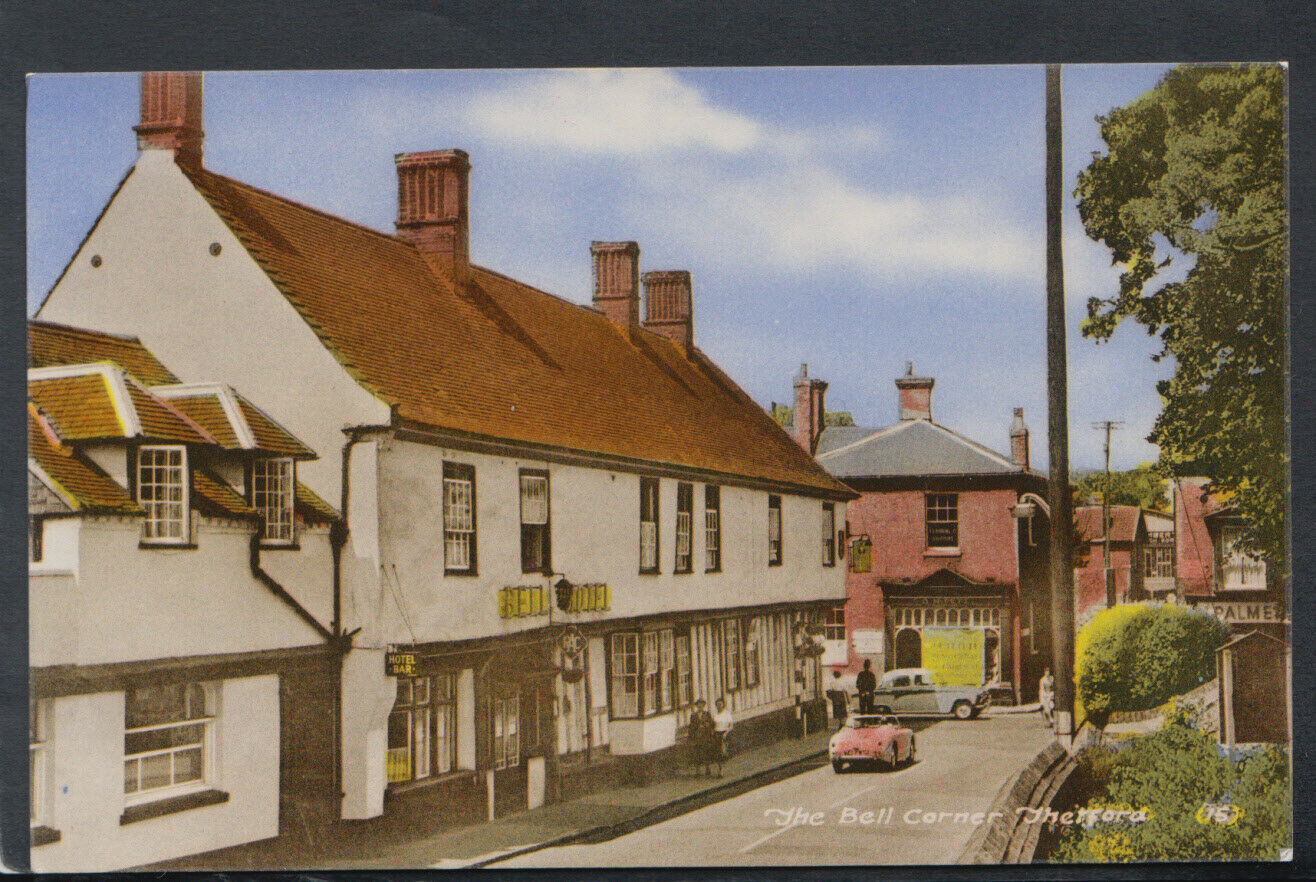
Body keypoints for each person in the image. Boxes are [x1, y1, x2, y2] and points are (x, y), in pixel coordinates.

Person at [688, 699, 715, 776]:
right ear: (697, 706)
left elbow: (712, 723)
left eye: (702, 705)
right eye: (698, 705)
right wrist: (691, 737)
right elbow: (691, 727)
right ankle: (698, 771)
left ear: (704, 706)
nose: (700, 706)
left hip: (705, 736)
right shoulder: (693, 716)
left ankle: (707, 768)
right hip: (697, 737)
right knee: (697, 754)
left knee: (706, 752)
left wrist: (708, 725)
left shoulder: (707, 714)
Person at [712, 697, 734, 777]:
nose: (719, 706)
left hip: (724, 734)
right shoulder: (715, 715)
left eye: (720, 704)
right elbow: (714, 725)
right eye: (717, 705)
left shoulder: (726, 714)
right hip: (717, 734)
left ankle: (721, 771)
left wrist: (726, 733)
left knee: (722, 752)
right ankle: (719, 770)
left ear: (723, 705)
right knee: (717, 753)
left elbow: (731, 726)